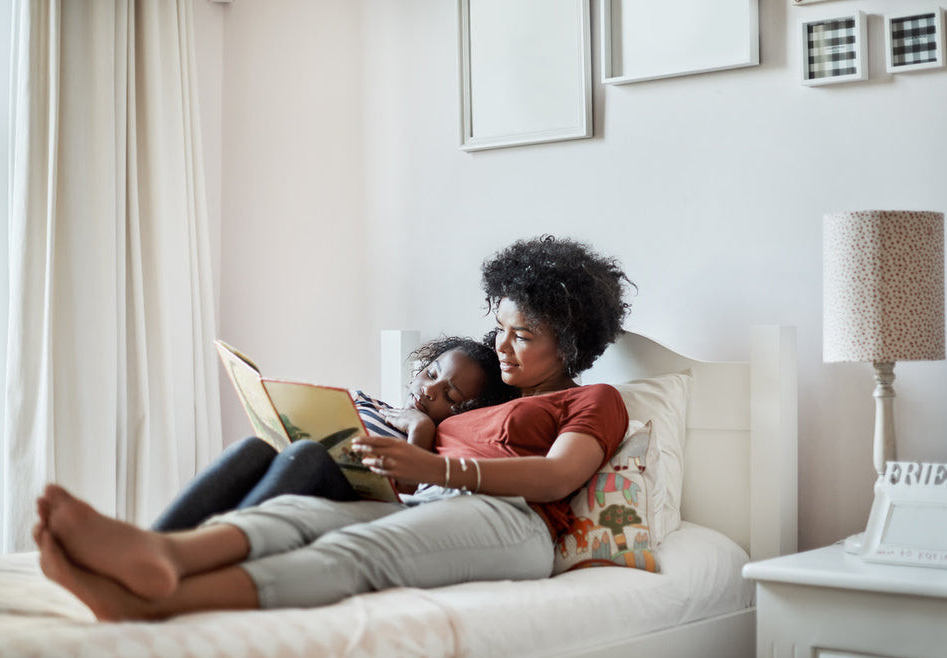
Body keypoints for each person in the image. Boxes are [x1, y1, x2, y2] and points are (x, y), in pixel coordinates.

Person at [33, 235, 636, 621]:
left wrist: (438, 467)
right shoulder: (479, 403)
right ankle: (162, 552)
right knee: (300, 518)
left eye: (523, 336)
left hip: (515, 522)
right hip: (430, 501)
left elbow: (559, 477)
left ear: (572, 343)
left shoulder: (593, 400)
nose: (501, 345)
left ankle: (153, 602)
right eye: (500, 326)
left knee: (356, 553)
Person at [151, 336, 518, 531]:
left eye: (449, 396)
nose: (429, 390)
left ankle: (214, 544)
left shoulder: (433, 445)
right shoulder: (367, 402)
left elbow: (406, 495)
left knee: (310, 453)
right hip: (299, 465)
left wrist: (420, 427)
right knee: (253, 448)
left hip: (352, 495)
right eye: (431, 373)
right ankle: (159, 540)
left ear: (466, 412)